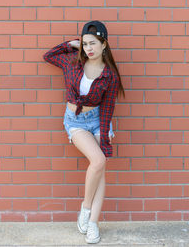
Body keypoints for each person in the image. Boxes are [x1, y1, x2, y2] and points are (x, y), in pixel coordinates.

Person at [43, 20, 125, 244]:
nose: (88, 48)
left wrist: (106, 136)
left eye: (93, 44)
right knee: (98, 161)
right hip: (76, 121)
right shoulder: (72, 62)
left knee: (100, 166)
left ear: (104, 45)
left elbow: (108, 108)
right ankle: (86, 209)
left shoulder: (110, 76)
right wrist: (71, 44)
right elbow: (48, 56)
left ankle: (92, 224)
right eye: (85, 44)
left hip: (98, 121)